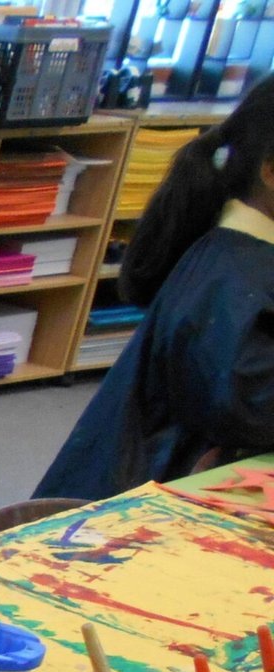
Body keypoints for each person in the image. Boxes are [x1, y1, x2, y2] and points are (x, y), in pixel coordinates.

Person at [36, 75, 274, 500]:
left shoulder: (247, 257)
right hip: (159, 499)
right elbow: (245, 408)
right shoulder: (231, 274)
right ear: (271, 172)